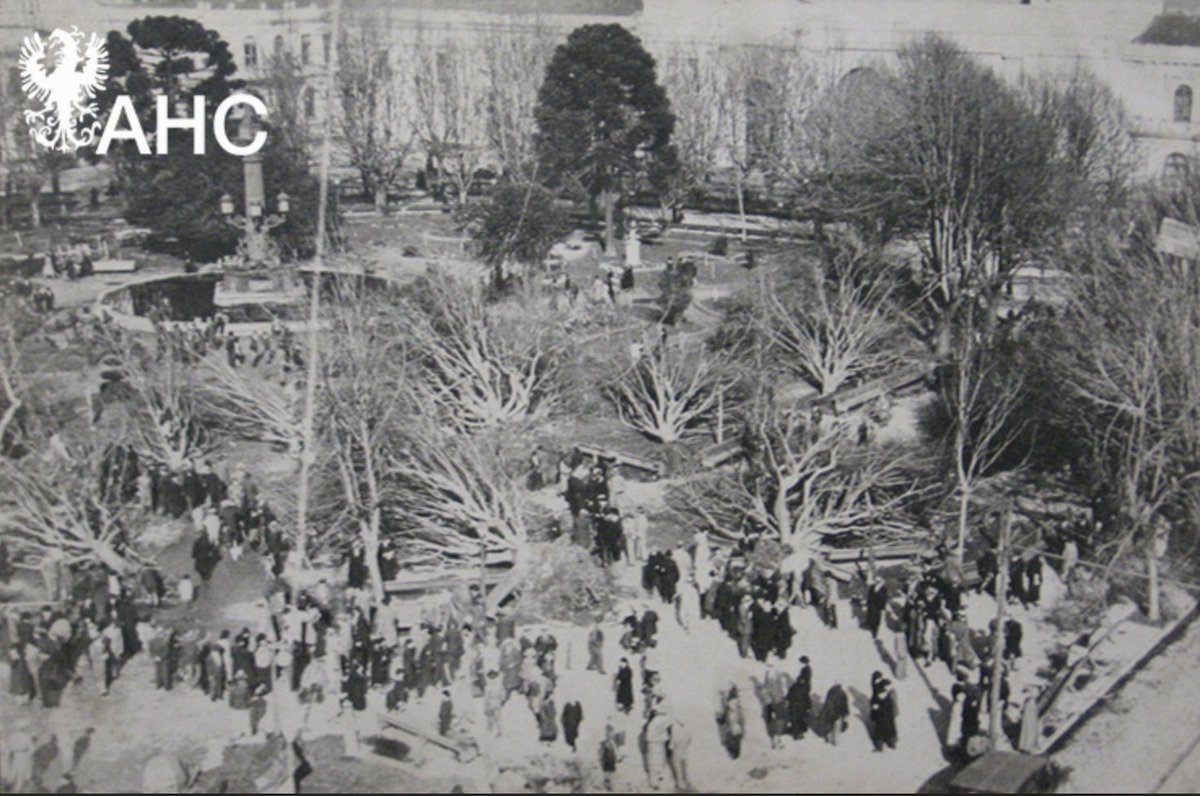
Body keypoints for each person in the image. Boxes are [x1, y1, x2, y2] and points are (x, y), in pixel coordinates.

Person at [870, 672, 898, 751]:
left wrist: (873, 715)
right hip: (889, 722)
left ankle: (880, 746)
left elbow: (874, 714)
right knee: (890, 730)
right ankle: (891, 742)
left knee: (879, 732)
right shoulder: (888, 700)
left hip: (881, 722)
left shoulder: (877, 701)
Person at [643, 709, 671, 790]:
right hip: (656, 744)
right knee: (656, 763)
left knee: (656, 763)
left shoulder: (652, 723)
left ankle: (655, 781)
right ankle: (654, 783)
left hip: (655, 744)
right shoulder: (658, 721)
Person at [667, 716, 692, 791]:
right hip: (685, 752)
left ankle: (681, 785)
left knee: (678, 769)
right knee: (685, 768)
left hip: (676, 753)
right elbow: (689, 740)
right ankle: (687, 782)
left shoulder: (676, 733)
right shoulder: (687, 732)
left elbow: (671, 745)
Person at [599, 724, 620, 790]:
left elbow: (615, 752)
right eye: (610, 733)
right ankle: (608, 786)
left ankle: (609, 786)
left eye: (612, 733)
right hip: (607, 764)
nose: (612, 735)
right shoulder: (604, 743)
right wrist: (602, 762)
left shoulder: (613, 743)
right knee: (607, 776)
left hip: (611, 763)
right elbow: (601, 754)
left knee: (611, 776)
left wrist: (617, 758)